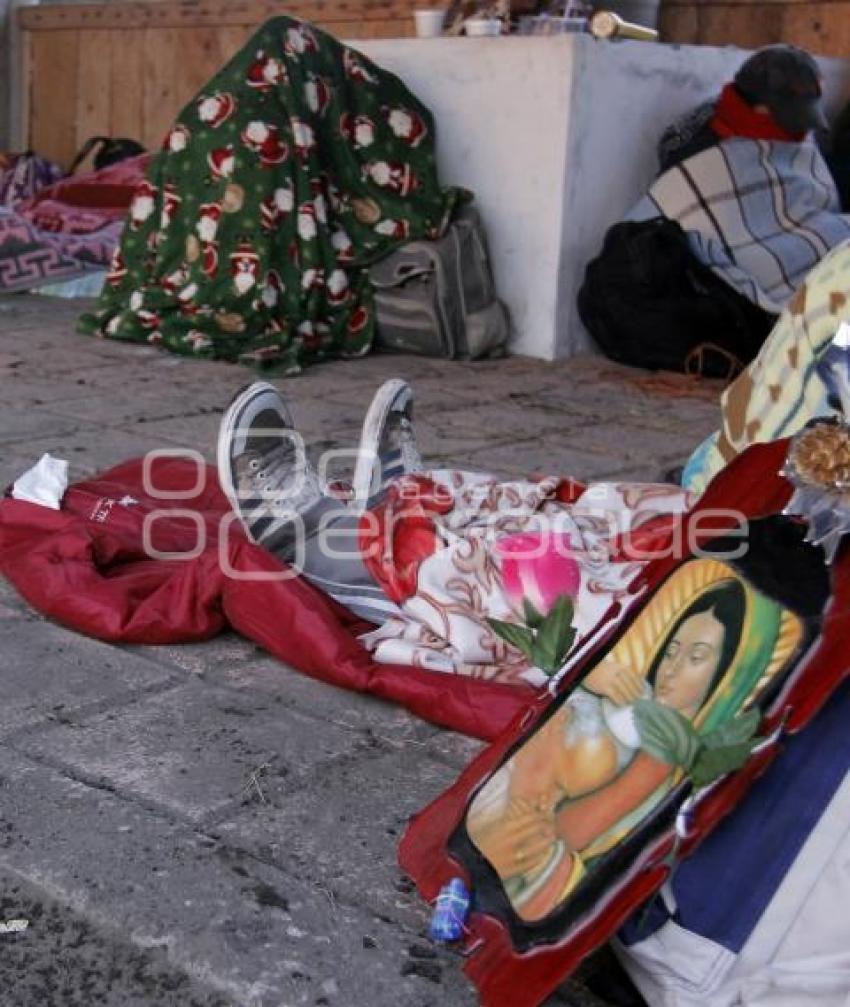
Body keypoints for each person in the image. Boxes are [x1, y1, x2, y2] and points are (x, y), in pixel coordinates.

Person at [465, 582, 746, 922]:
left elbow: (558, 832)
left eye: (696, 657)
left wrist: (527, 788)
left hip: (523, 837)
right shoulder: (633, 693)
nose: (671, 668)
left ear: (722, 674)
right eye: (671, 651)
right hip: (498, 805)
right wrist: (594, 675)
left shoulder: (662, 754)